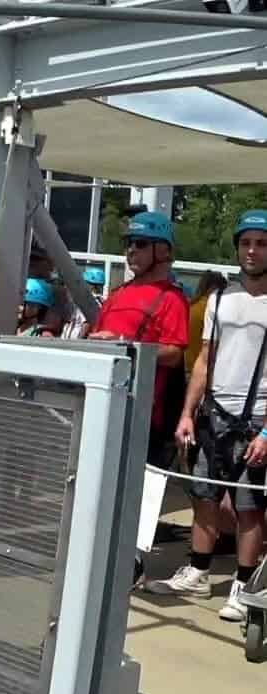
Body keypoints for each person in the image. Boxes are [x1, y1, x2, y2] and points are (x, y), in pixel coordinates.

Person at [146, 210, 267, 622]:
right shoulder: (219, 299)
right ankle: (198, 569)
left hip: (257, 419)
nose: (252, 251)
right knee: (203, 496)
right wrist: (186, 413)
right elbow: (203, 361)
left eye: (261, 243)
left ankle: (242, 583)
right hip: (213, 415)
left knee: (250, 506)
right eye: (246, 243)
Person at [88, 211, 189, 467]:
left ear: (163, 251)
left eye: (141, 243)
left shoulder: (172, 299)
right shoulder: (117, 294)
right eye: (129, 243)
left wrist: (124, 345)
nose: (132, 250)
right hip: (100, 406)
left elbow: (175, 354)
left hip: (142, 418)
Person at [186, 271, 229, 376]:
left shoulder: (190, 306)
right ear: (213, 288)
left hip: (185, 367)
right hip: (199, 371)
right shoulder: (210, 310)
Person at [61, 266, 106, 341]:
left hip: (74, 343)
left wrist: (78, 342)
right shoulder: (103, 301)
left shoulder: (88, 301)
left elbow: (87, 324)